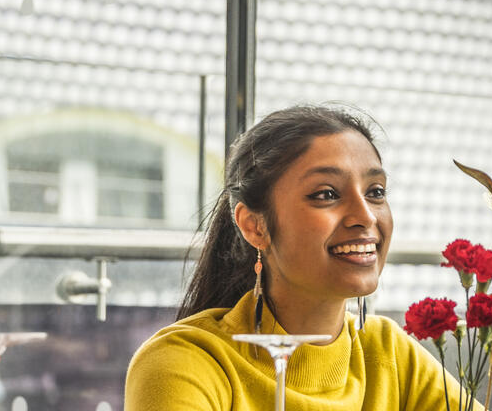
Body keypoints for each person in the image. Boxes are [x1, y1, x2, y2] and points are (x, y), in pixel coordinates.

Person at [126, 105, 474, 410]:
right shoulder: (184, 362)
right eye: (327, 194)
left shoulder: (388, 352)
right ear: (255, 226)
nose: (366, 216)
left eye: (376, 192)